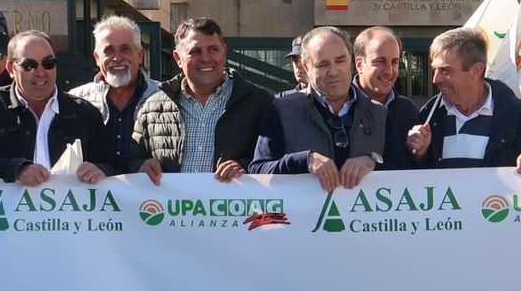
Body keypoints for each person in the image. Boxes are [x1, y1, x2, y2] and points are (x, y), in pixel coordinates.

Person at [0, 31, 113, 186]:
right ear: (10, 69)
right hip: (7, 212)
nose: (41, 72)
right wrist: (15, 169)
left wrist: (101, 169)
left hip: (69, 212)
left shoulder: (84, 112)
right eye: (29, 65)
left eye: (48, 63)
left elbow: (112, 163)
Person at [130, 17, 273, 183]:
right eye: (195, 51)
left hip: (235, 207)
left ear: (224, 52)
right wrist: (142, 165)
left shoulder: (259, 102)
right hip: (171, 208)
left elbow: (274, 158)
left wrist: (245, 166)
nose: (205, 58)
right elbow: (132, 157)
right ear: (177, 58)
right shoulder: (153, 107)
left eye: (213, 49)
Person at [252, 27, 393, 191]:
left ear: (352, 60)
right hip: (302, 216)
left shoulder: (379, 113)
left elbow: (404, 174)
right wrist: (305, 160)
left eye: (340, 61)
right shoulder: (281, 110)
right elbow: (259, 171)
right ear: (306, 68)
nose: (333, 72)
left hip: (361, 216)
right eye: (322, 64)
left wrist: (372, 160)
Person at [405, 28, 521, 174]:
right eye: (434, 70)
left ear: (476, 70)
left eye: (445, 71)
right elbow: (414, 184)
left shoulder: (517, 115)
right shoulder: (429, 116)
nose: (436, 79)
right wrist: (418, 155)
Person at [69, 15, 160, 174]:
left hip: (150, 197)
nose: (117, 58)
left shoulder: (164, 98)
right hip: (92, 196)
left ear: (140, 55)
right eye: (108, 51)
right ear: (97, 58)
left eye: (125, 49)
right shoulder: (75, 101)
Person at [354, 25, 420, 154]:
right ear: (359, 64)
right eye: (380, 61)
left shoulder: (408, 110)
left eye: (395, 62)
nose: (389, 71)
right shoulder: (340, 108)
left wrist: (420, 154)